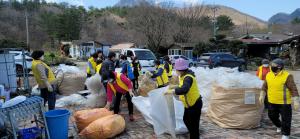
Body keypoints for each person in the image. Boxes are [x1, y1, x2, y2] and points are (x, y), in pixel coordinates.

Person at [259, 58, 299, 139]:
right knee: (272, 116)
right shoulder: (269, 75)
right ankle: (279, 125)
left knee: (286, 119)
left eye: (274, 65)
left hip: (284, 103)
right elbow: (264, 86)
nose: (271, 66)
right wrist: (262, 95)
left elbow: (293, 88)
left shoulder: (287, 76)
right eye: (271, 65)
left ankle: (286, 134)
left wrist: (296, 100)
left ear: (280, 67)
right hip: (271, 101)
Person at [165, 58, 202, 139]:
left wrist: (173, 91)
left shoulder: (188, 77)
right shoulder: (183, 76)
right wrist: (174, 86)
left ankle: (195, 136)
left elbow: (185, 89)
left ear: (181, 70)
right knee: (186, 120)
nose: (176, 71)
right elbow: (182, 86)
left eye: (176, 70)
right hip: (189, 105)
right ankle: (194, 135)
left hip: (195, 104)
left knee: (194, 127)